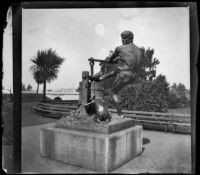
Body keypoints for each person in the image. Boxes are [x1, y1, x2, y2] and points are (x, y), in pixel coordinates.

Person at [90, 30, 142, 118]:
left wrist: (115, 60)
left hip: (124, 75)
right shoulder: (139, 51)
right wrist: (120, 60)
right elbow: (132, 63)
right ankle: (100, 78)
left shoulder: (119, 48)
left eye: (123, 39)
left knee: (112, 91)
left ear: (128, 39)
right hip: (134, 76)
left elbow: (110, 61)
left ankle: (120, 113)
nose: (122, 40)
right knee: (117, 70)